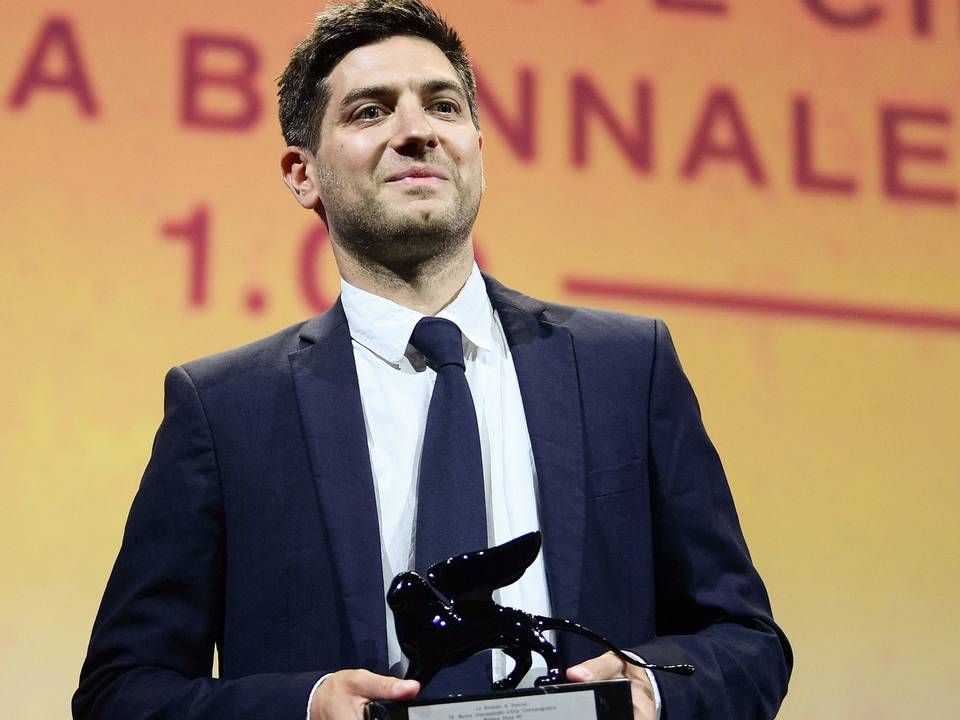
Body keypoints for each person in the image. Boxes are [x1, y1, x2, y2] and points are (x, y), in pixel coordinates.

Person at [74, 1, 792, 719]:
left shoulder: (627, 370)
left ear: (477, 147)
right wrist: (304, 707)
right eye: (369, 112)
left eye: (443, 106)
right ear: (303, 174)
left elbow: (748, 643)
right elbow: (121, 691)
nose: (416, 131)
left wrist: (654, 687)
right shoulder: (224, 409)